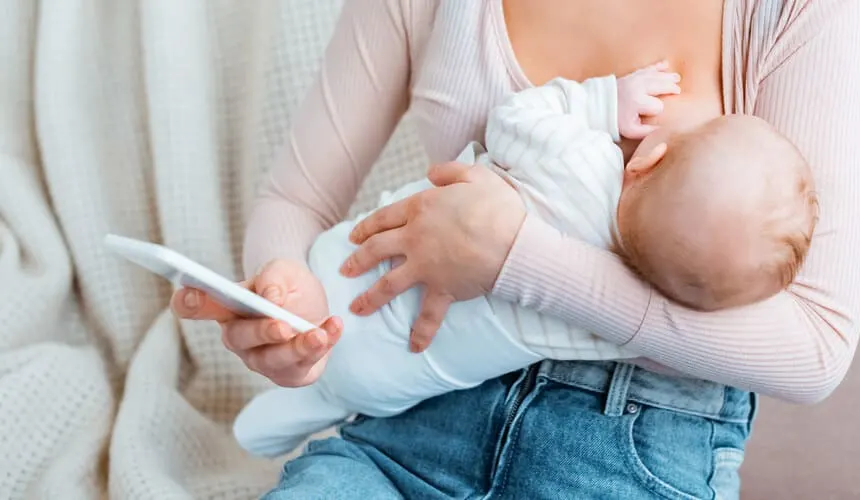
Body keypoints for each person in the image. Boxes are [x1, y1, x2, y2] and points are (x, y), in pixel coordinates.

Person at [172, 0, 860, 497]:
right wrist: (292, 311)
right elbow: (296, 203)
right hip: (410, 414)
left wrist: (513, 259)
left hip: (633, 446)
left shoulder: (792, 10)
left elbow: (817, 350)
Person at [231, 66, 817, 459]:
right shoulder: (601, 330)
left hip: (349, 268)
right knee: (331, 395)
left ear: (645, 162)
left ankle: (281, 368)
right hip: (395, 385)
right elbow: (681, 339)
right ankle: (292, 411)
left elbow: (515, 118)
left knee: (311, 319)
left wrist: (601, 101)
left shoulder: (581, 161)